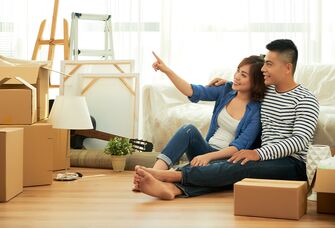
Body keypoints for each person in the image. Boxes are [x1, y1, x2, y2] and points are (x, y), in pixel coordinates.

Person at [134, 39, 320, 200]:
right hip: (265, 159)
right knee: (234, 168)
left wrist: (258, 153)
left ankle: (171, 176)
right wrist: (228, 84)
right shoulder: (266, 91)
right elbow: (247, 85)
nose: (264, 68)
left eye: (269, 64)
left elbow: (300, 141)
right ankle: (173, 189)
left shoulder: (306, 99)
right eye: (264, 64)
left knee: (240, 166)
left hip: (292, 164)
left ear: (287, 67)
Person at [132, 52, 266, 193]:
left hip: (226, 160)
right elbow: (192, 91)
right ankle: (153, 174)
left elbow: (238, 147)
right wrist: (166, 70)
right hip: (206, 149)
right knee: (188, 130)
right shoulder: (226, 90)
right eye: (238, 70)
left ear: (255, 82)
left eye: (243, 75)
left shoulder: (256, 111)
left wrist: (207, 157)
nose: (237, 76)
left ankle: (173, 188)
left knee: (210, 174)